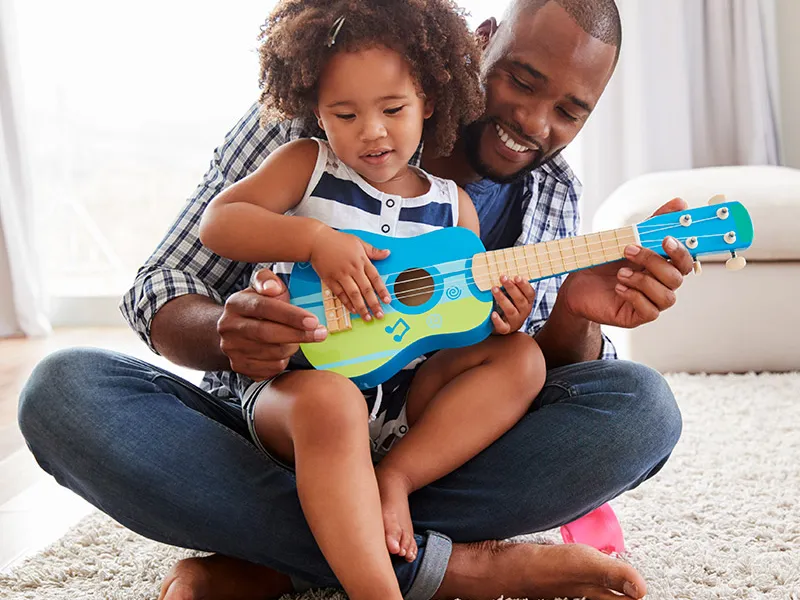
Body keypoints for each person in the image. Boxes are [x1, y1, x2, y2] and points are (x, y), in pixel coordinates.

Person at [17, 0, 692, 599]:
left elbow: (521, 377)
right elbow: (159, 288)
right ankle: (457, 570)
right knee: (63, 393)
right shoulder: (316, 123)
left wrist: (570, 311)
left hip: (417, 441)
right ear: (481, 40)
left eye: (569, 111)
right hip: (281, 421)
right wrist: (229, 329)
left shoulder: (542, 197)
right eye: (521, 80)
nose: (534, 121)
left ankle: (286, 558)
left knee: (642, 410)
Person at [197, 3, 545, 597]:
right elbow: (220, 223)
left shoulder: (452, 207)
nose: (372, 131)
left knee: (524, 361)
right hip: (302, 395)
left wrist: (500, 317)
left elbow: (450, 319)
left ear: (429, 101)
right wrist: (312, 239)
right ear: (316, 111)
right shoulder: (308, 167)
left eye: (393, 109)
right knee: (331, 404)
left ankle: (395, 481)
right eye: (345, 113)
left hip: (403, 411)